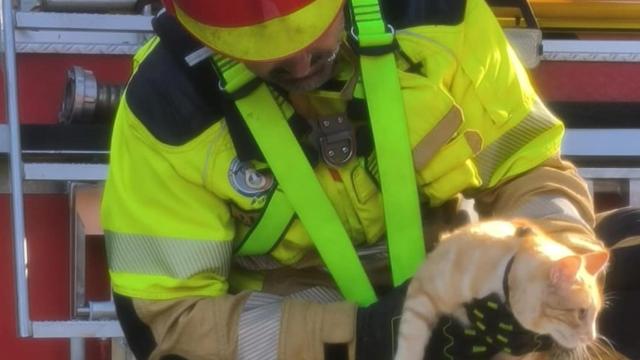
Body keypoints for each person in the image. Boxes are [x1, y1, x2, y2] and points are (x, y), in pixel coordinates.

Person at [100, 0, 638, 358]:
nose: (299, 59)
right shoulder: (166, 108)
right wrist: (365, 338)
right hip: (311, 335)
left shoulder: (440, 16)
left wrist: (554, 264)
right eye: (262, 52)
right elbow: (167, 322)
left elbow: (528, 168)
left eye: (313, 35)